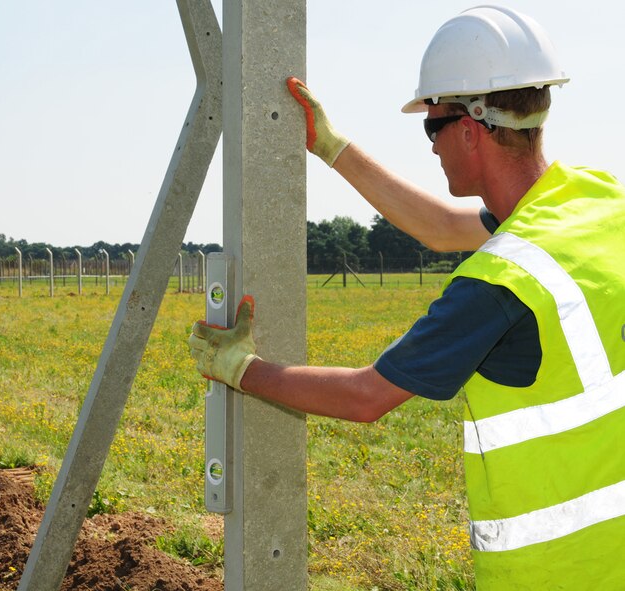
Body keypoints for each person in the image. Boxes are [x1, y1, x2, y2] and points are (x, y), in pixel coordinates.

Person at [188, 5, 625, 590]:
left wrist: (240, 367)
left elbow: (367, 396)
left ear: (470, 129)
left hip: (558, 570)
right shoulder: (598, 202)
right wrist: (332, 146)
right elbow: (445, 228)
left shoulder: (499, 284)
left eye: (431, 128)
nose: (432, 148)